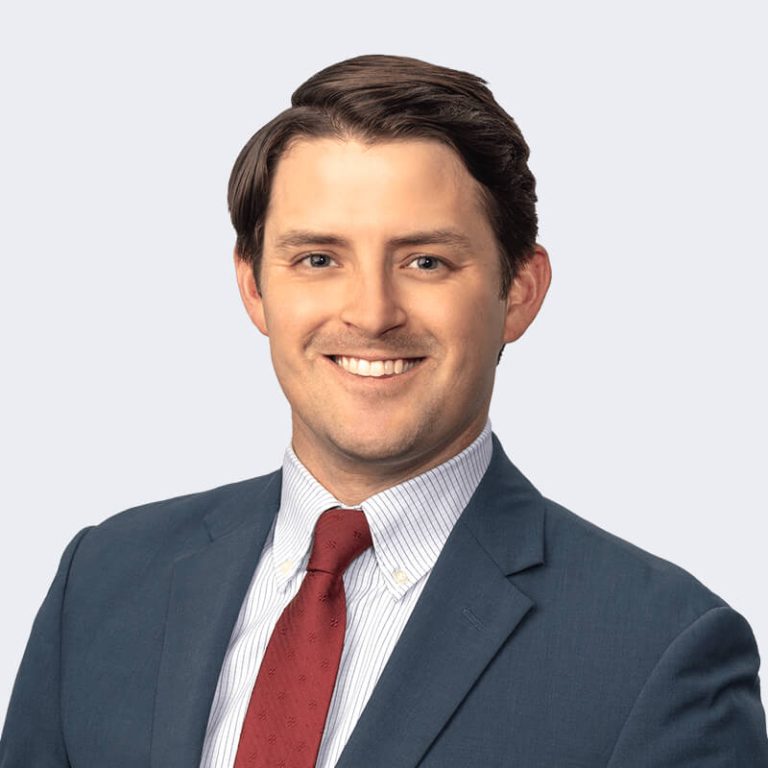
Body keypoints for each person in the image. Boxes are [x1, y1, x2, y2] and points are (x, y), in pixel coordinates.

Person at [1, 54, 766, 768]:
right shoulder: (102, 583)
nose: (371, 313)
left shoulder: (659, 653)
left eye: (425, 261)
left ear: (518, 292)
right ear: (254, 287)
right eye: (318, 259)